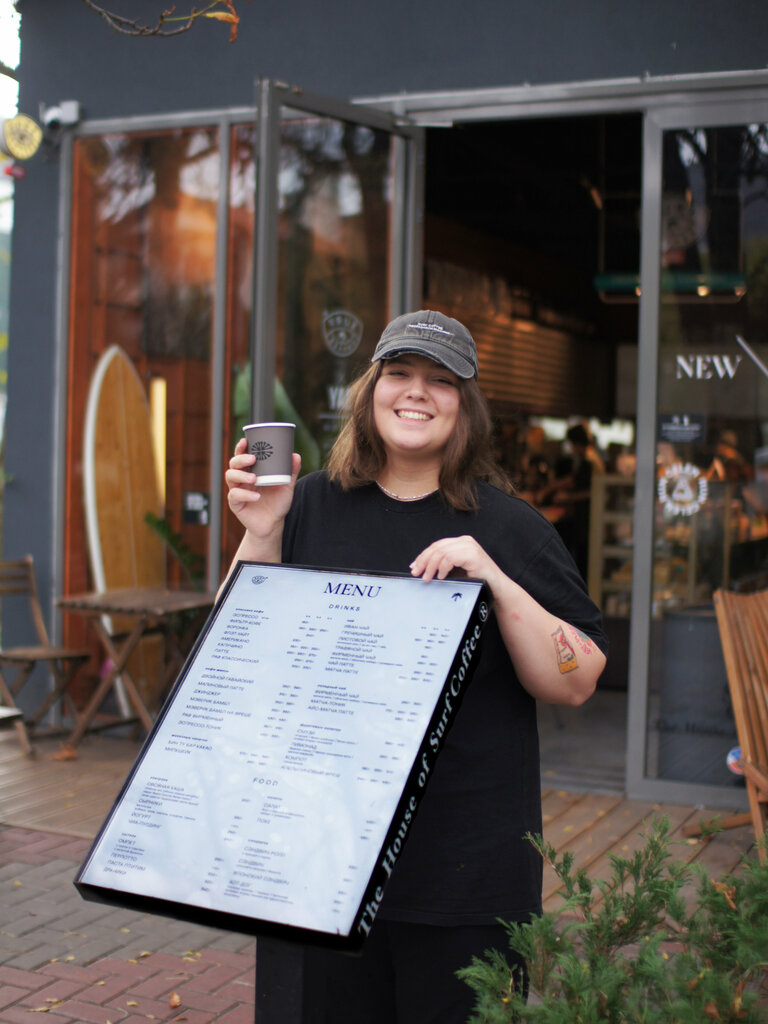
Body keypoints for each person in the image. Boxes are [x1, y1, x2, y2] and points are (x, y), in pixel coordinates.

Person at [223, 310, 608, 1024]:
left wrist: (492, 577)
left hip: (466, 879)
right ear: (371, 390)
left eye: (440, 380)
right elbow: (235, 656)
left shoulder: (510, 528)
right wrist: (262, 530)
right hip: (316, 864)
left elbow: (578, 677)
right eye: (399, 373)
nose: (416, 392)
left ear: (465, 407)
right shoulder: (307, 505)